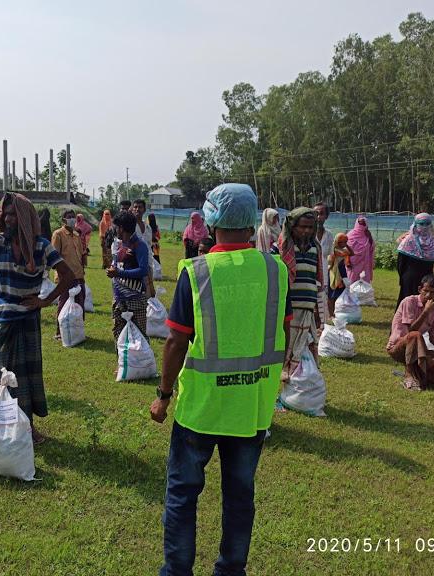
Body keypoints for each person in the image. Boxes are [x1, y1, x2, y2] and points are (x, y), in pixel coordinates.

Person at [150, 183, 290, 576]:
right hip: (251, 410)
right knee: (240, 497)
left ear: (211, 222)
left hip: (201, 410)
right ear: (251, 221)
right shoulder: (275, 270)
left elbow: (176, 341)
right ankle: (231, 570)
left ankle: (177, 571)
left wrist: (163, 395)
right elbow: (283, 330)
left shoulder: (196, 272)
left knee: (182, 495)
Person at [0, 192, 74, 444]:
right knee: (7, 375)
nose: (8, 219)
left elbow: (68, 276)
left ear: (25, 218)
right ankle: (7, 428)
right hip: (5, 320)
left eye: (13, 215)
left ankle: (27, 427)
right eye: (6, 215)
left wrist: (45, 301)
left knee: (28, 375)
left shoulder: (41, 246)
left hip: (29, 319)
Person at [279, 207, 322, 385]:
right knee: (287, 346)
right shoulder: (283, 248)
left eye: (310, 227)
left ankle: (301, 384)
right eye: (302, 227)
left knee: (306, 345)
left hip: (308, 305)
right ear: (292, 226)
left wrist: (318, 310)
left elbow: (317, 279)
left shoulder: (315, 248)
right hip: (289, 306)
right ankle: (286, 377)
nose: (306, 231)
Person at [387, 274, 434, 391]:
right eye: (425, 291)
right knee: (415, 335)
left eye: (432, 292)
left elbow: (433, 338)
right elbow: (411, 330)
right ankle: (410, 375)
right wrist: (425, 312)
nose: (428, 295)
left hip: (416, 348)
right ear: (420, 289)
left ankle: (418, 375)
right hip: (398, 347)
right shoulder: (409, 301)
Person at [107, 211, 151, 341]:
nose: (115, 230)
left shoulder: (140, 245)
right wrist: (112, 269)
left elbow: (143, 270)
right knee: (119, 335)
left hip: (135, 300)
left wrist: (118, 273)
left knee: (139, 336)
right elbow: (118, 264)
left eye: (116, 227)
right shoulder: (120, 244)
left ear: (121, 228)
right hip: (119, 299)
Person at [52, 209, 86, 339]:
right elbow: (54, 257)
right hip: (65, 277)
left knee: (79, 304)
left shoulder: (76, 235)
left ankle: (77, 332)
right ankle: (60, 332)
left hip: (78, 275)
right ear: (64, 220)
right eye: (69, 217)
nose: (72, 219)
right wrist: (61, 275)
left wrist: (82, 270)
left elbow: (80, 255)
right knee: (64, 304)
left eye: (73, 217)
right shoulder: (58, 234)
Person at [395, 213, 434, 307]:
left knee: (424, 303)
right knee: (409, 305)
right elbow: (401, 262)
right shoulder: (409, 240)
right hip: (413, 280)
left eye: (427, 224)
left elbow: (400, 263)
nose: (425, 226)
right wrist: (403, 278)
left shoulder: (431, 241)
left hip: (423, 281)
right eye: (422, 224)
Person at [314, 202, 332, 325]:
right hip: (309, 276)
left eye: (321, 214)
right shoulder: (307, 234)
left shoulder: (329, 235)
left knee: (321, 307)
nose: (318, 217)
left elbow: (330, 255)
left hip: (324, 277)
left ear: (326, 216)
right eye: (316, 214)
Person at [327, 233, 354, 317]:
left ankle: (336, 312)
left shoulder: (344, 251)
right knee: (331, 295)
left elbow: (352, 253)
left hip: (342, 274)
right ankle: (331, 314)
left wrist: (347, 245)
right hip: (333, 275)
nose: (344, 244)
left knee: (338, 295)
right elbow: (330, 263)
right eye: (342, 242)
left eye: (345, 242)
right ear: (337, 242)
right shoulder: (333, 251)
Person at [346, 216, 375, 283]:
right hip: (353, 266)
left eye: (363, 224)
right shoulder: (368, 236)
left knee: (355, 284)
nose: (362, 226)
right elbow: (345, 249)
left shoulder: (350, 235)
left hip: (361, 266)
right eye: (361, 223)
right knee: (355, 284)